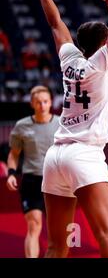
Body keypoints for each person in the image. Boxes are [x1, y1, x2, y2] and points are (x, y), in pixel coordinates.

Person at [12, 0, 108, 257]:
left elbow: (55, 24)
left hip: (55, 159)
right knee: (107, 237)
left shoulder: (70, 61)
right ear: (105, 45)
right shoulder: (100, 65)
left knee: (56, 246)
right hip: (84, 155)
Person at [5, 85, 59, 258]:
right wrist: (11, 173)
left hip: (56, 181)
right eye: (38, 102)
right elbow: (13, 155)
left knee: (58, 228)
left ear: (50, 102)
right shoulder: (21, 126)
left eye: (45, 101)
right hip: (32, 181)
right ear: (32, 104)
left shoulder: (61, 124)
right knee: (34, 224)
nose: (42, 105)